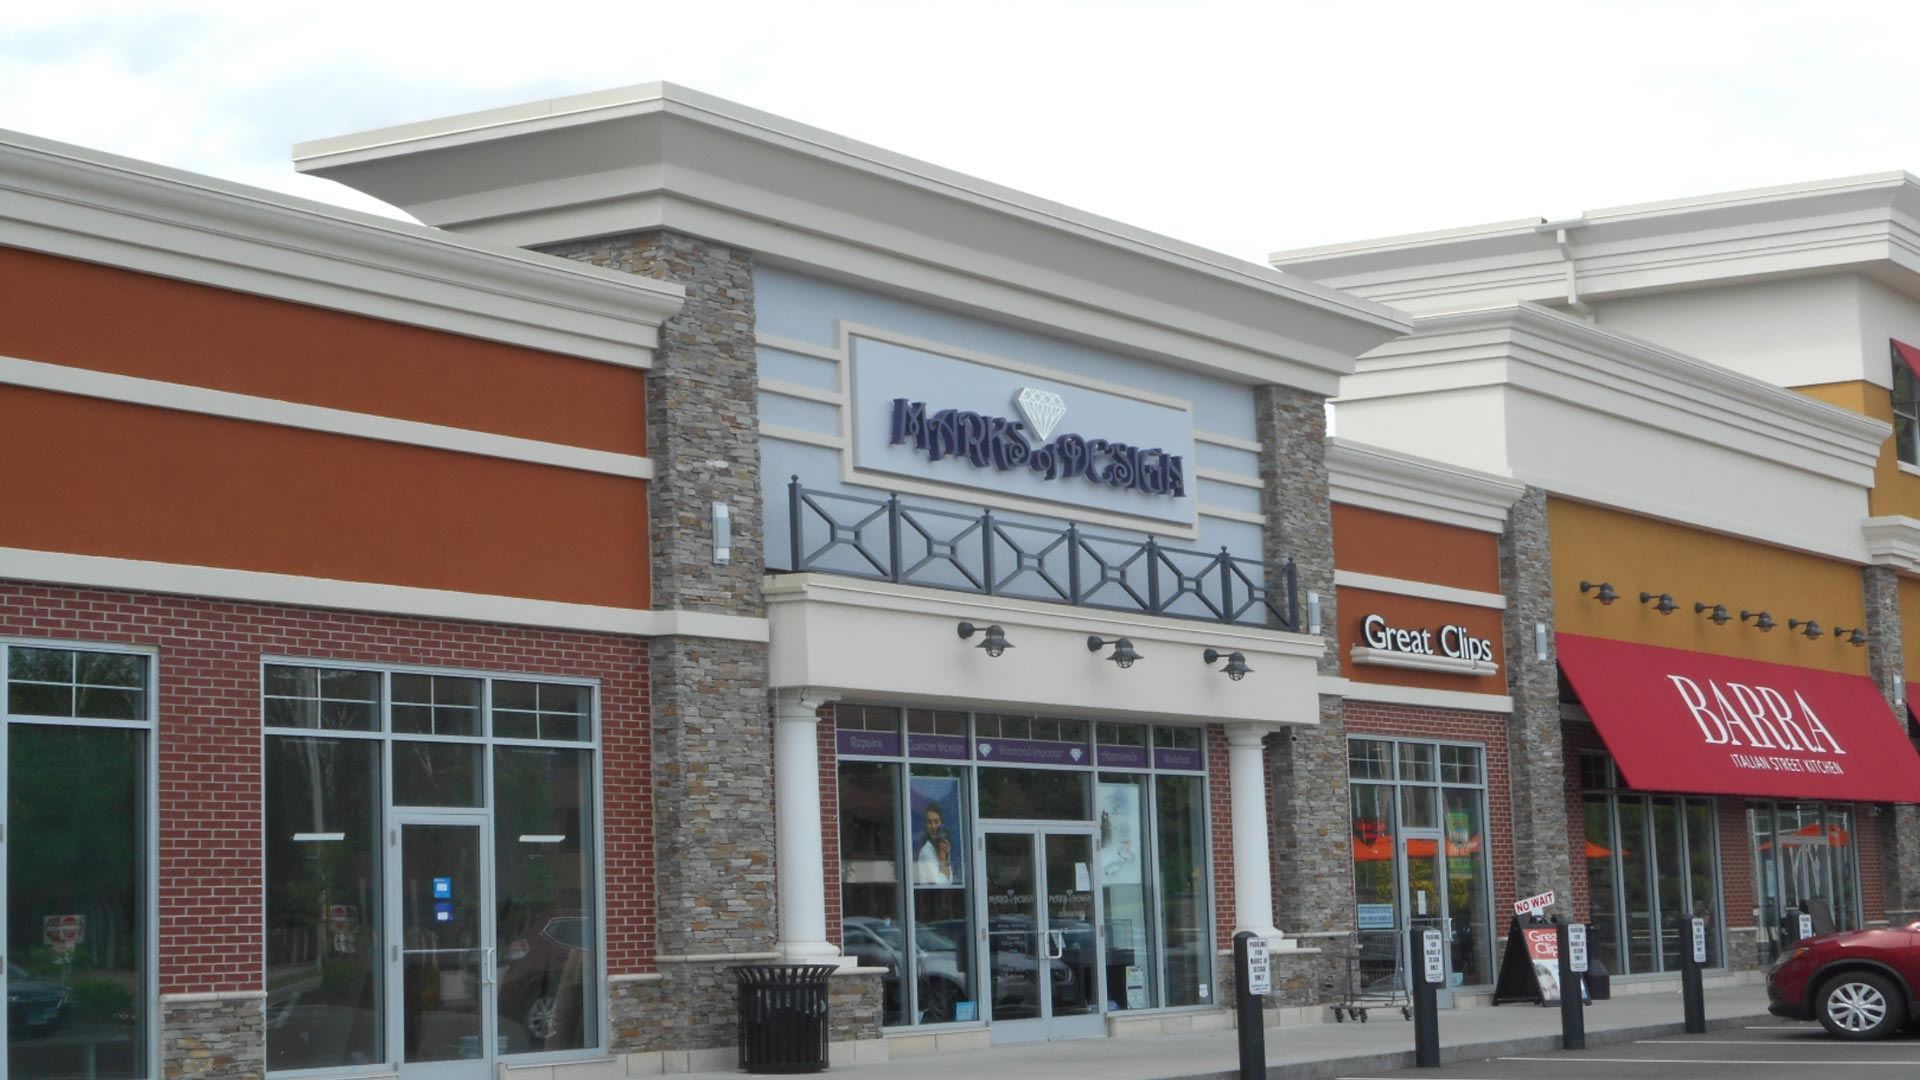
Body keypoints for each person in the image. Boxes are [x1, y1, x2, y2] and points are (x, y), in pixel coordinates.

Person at [915, 804, 956, 885]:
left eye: (936, 821)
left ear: (942, 824)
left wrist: (946, 858)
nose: (933, 826)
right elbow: (939, 885)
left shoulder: (942, 849)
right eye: (929, 822)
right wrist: (943, 860)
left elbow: (949, 881)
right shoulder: (926, 852)